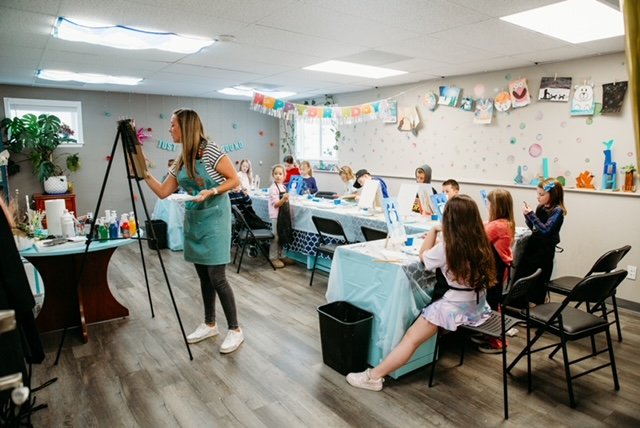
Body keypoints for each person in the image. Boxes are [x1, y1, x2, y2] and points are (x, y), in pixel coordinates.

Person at [346, 195, 496, 391]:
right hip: (476, 302)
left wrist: (433, 230)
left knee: (410, 339)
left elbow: (423, 257)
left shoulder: (448, 247)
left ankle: (373, 377)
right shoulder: (480, 241)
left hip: (455, 305)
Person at [142, 108, 244, 354]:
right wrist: (144, 173)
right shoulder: (181, 158)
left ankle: (235, 330)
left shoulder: (210, 150)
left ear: (185, 127)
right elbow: (164, 191)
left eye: (173, 125)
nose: (170, 129)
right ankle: (210, 324)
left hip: (215, 218)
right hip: (196, 218)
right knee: (204, 276)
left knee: (217, 277)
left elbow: (234, 180)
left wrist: (213, 190)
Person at [512, 178, 567, 306]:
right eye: (538, 194)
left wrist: (532, 215)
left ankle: (537, 305)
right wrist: (528, 216)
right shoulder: (541, 207)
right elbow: (535, 227)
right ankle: (520, 304)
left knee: (539, 280)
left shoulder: (557, 211)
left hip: (545, 251)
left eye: (541, 194)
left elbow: (546, 230)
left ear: (553, 195)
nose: (538, 197)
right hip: (534, 247)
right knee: (524, 274)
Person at [476, 188, 515, 353]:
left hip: (494, 270)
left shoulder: (496, 226)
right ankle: (489, 334)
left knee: (491, 304)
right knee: (493, 302)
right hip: (500, 269)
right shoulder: (507, 223)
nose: (488, 205)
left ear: (496, 206)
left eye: (490, 203)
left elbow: (477, 240)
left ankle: (497, 342)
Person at [268, 164, 294, 268]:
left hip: (283, 215)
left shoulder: (283, 187)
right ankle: (273, 257)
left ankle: (282, 255)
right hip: (276, 215)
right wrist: (283, 199)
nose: (278, 176)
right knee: (276, 237)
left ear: (284, 175)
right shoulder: (273, 188)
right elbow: (276, 204)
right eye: (276, 174)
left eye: (280, 174)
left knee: (283, 235)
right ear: (273, 175)